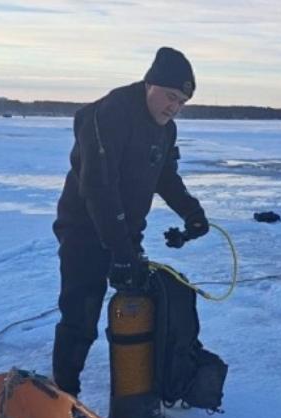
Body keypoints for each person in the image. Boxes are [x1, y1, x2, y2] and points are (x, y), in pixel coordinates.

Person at [51, 47, 207, 396]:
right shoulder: (111, 114)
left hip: (126, 232)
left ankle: (141, 385)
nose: (174, 107)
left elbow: (165, 177)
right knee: (82, 312)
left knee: (140, 305)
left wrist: (192, 212)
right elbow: (98, 187)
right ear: (150, 83)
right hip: (84, 231)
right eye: (170, 96)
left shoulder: (166, 131)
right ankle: (64, 393)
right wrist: (119, 250)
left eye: (181, 102)